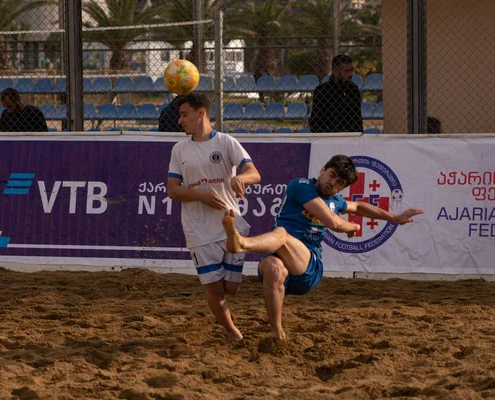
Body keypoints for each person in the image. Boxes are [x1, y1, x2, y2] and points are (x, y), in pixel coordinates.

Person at [221, 155, 425, 341]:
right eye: (332, 175)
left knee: (282, 235)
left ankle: (242, 244)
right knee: (274, 267)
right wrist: (351, 226)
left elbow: (359, 207)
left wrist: (394, 218)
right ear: (322, 170)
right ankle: (277, 333)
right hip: (281, 259)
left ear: (341, 189)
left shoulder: (335, 200)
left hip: (309, 267)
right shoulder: (300, 186)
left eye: (339, 183)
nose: (332, 183)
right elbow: (334, 223)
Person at [166, 92, 261, 341]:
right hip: (199, 230)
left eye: (184, 115)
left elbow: (254, 173)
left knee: (232, 288)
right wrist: (200, 195)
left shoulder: (226, 142)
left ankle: (233, 241)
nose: (180, 121)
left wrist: (240, 177)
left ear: (201, 113)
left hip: (229, 221)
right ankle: (233, 332)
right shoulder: (179, 149)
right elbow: (172, 190)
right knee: (214, 289)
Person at [309, 55, 363, 133]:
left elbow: (358, 120)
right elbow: (315, 123)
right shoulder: (322, 91)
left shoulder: (353, 89)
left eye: (351, 70)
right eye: (346, 71)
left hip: (351, 138)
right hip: (328, 139)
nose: (351, 74)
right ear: (335, 71)